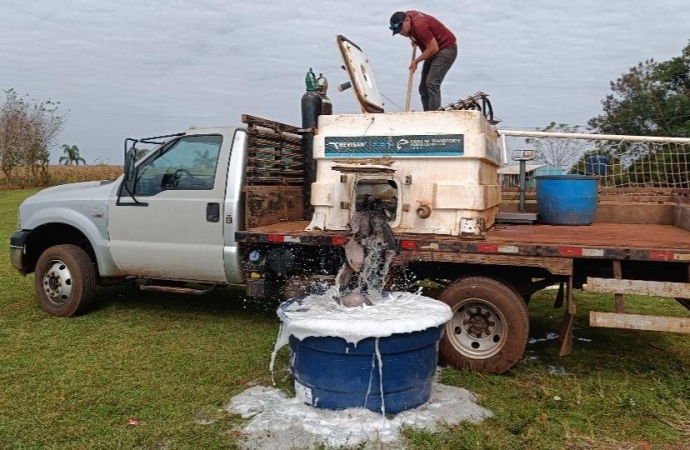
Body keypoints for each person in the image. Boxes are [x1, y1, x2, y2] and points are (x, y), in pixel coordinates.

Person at [389, 10, 457, 111]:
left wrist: (416, 61)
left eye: (401, 29)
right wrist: (416, 40)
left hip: (446, 49)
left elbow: (433, 48)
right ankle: (427, 115)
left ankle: (434, 117)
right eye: (398, 32)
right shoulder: (408, 19)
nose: (401, 33)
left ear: (407, 20)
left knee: (432, 83)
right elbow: (414, 34)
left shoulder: (420, 25)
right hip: (433, 52)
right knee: (423, 88)